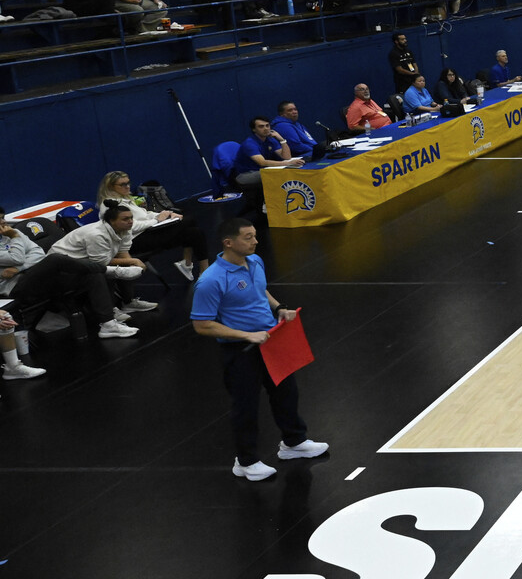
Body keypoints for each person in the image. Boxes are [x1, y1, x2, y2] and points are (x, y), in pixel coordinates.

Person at [190, 218, 328, 481]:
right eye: (248, 237)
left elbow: (260, 291)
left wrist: (278, 309)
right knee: (246, 406)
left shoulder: (255, 262)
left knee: (287, 392)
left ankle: (293, 443)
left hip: (271, 341)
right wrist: (247, 335)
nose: (255, 241)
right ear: (228, 243)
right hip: (240, 351)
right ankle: (246, 462)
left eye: (254, 236)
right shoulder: (210, 281)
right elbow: (202, 325)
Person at [1, 218, 138, 340]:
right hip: (15, 287)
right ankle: (111, 271)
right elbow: (16, 257)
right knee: (55, 259)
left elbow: (38, 254)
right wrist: (15, 238)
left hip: (39, 276)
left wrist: (18, 268)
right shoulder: (14, 234)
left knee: (90, 274)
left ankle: (108, 324)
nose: (3, 223)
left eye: (2, 218)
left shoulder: (13, 233)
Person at [50, 203, 158, 317]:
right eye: (125, 219)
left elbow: (123, 252)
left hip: (86, 261)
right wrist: (133, 261)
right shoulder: (96, 235)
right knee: (104, 272)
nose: (130, 221)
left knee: (126, 266)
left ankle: (128, 302)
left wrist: (133, 266)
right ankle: (110, 311)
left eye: (131, 218)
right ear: (111, 221)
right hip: (62, 269)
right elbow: (101, 263)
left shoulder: (125, 229)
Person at [96, 170, 203, 280]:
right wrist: (156, 221)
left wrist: (166, 214)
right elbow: (130, 226)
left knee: (194, 232)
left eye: (128, 183)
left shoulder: (125, 198)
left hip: (147, 232)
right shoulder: (109, 205)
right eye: (123, 184)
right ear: (110, 186)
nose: (127, 187)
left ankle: (201, 271)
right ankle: (187, 263)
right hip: (134, 241)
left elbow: (145, 213)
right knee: (189, 220)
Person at [234, 115, 297, 215]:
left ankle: (278, 204)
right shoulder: (250, 143)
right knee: (275, 174)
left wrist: (281, 140)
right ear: (254, 129)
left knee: (281, 171)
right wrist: (287, 163)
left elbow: (287, 157)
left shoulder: (270, 140)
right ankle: (267, 205)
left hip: (261, 170)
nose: (266, 128)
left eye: (267, 126)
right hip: (245, 175)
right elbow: (262, 162)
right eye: (261, 126)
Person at [389, 31, 419, 97]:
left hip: (413, 79)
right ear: (396, 41)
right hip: (402, 82)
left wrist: (416, 74)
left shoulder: (408, 51)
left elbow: (414, 63)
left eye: (405, 39)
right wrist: (412, 74)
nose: (405, 40)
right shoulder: (393, 53)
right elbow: (399, 69)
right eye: (402, 39)